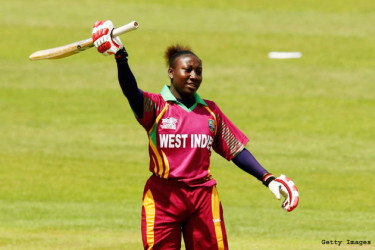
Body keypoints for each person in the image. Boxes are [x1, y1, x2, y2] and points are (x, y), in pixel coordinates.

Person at [92, 20, 299, 250]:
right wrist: (120, 56)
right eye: (187, 70)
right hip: (163, 197)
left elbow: (236, 150)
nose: (194, 76)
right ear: (171, 72)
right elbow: (131, 91)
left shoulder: (210, 112)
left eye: (198, 71)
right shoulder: (156, 107)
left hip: (203, 198)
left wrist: (267, 178)